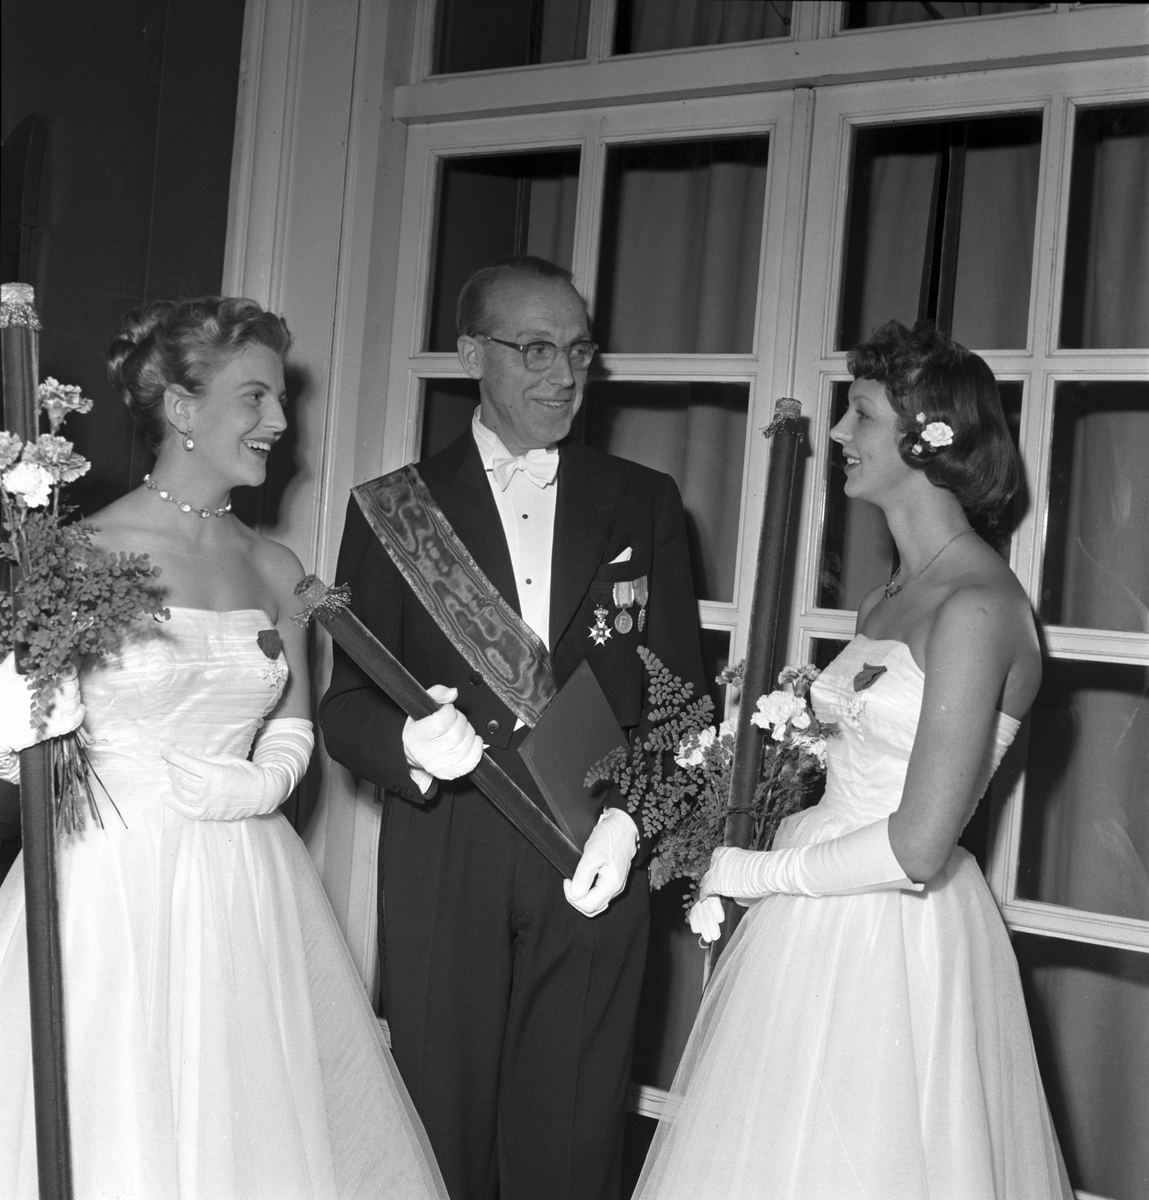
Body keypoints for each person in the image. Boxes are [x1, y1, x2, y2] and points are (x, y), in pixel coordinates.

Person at [0, 297, 447, 1200]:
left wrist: (266, 781)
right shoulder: (76, 557)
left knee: (241, 1121)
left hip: (244, 880)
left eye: (280, 399)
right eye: (255, 397)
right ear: (181, 408)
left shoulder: (278, 569)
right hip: (107, 881)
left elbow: (295, 721)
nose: (280, 421)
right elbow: (26, 741)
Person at [634, 320, 1073, 1200]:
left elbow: (917, 846)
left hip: (888, 932)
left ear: (926, 439)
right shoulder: (887, 597)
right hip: (813, 911)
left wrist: (759, 873)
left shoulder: (976, 608)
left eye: (860, 414)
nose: (837, 432)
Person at [319, 256, 706, 1200]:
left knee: (570, 1137)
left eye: (578, 349)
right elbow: (345, 707)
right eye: (534, 348)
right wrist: (406, 744)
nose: (563, 374)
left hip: (593, 844)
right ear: (470, 355)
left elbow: (682, 702)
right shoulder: (394, 508)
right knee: (437, 1129)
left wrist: (632, 823)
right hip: (446, 845)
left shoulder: (643, 498)